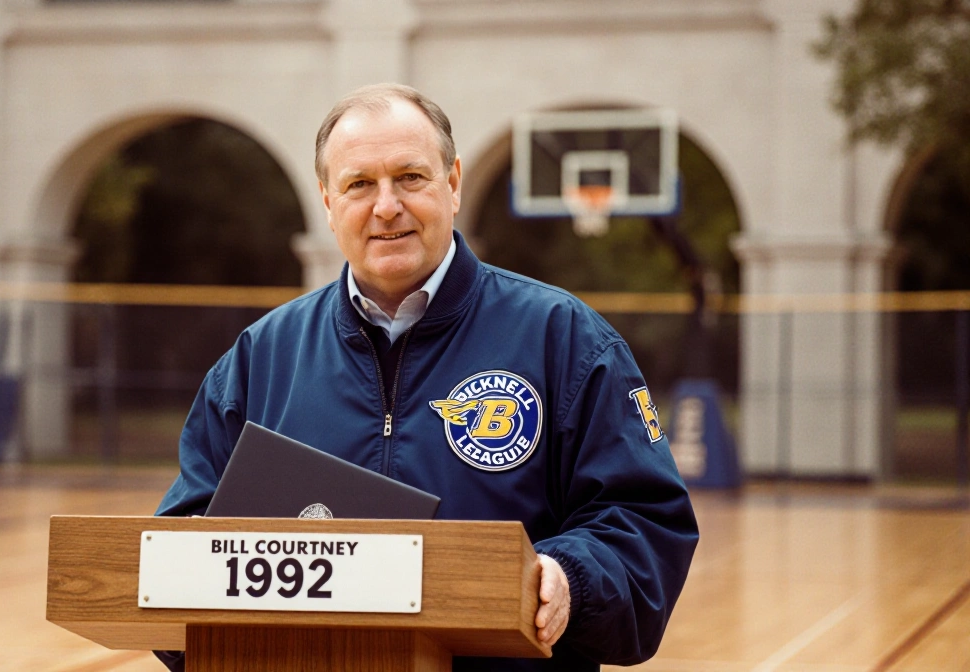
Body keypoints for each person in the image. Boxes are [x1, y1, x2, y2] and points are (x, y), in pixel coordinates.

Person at [154, 83, 697, 671]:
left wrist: (571, 577)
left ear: (453, 182)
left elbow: (645, 524)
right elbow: (181, 550)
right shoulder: (260, 360)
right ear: (328, 201)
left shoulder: (564, 339)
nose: (386, 205)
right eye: (359, 184)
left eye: (410, 177)